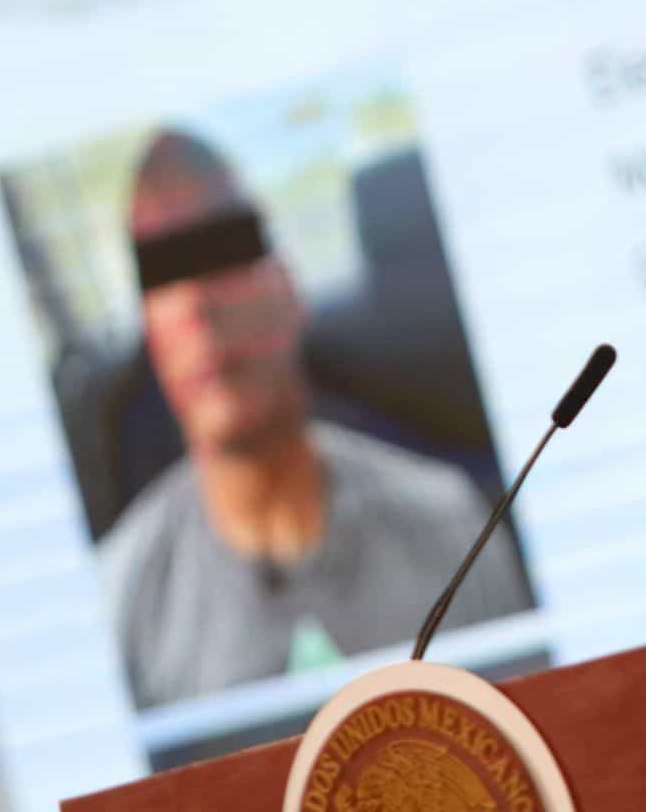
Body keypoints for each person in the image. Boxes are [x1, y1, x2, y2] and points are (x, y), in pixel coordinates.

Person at [100, 130, 531, 708]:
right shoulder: (118, 606)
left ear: (289, 291)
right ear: (151, 338)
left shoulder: (455, 531)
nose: (198, 304)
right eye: (165, 274)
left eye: (222, 254)